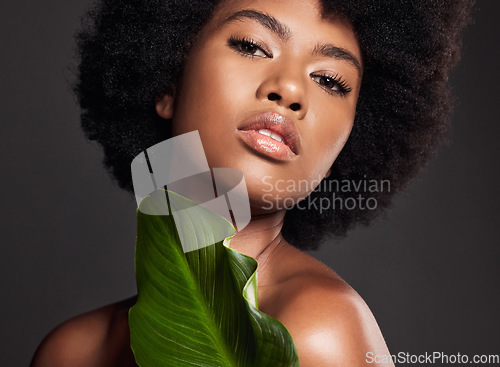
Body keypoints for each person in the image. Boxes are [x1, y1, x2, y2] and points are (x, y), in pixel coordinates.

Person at [31, 0, 473, 365]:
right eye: (252, 45)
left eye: (330, 80)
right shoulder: (71, 351)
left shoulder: (321, 330)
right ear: (167, 80)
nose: (291, 89)